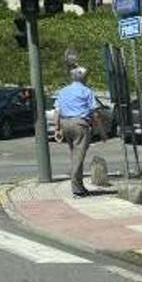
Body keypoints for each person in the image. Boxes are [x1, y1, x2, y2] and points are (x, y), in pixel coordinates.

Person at [54, 66, 101, 197]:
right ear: (85, 78)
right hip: (80, 124)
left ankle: (80, 186)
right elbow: (95, 113)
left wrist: (57, 129)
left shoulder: (63, 91)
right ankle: (76, 189)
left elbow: (57, 111)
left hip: (65, 123)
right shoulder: (87, 91)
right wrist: (101, 131)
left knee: (74, 155)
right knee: (78, 157)